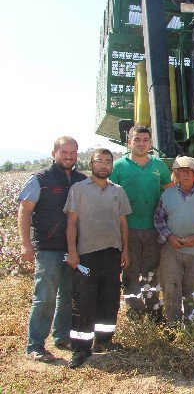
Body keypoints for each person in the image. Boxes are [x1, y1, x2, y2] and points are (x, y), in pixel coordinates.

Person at [17, 136, 87, 362]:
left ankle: (62, 336)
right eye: (64, 152)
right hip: (48, 247)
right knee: (45, 296)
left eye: (73, 153)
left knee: (66, 295)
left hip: (73, 248)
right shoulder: (40, 179)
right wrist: (26, 244)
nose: (69, 157)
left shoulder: (81, 180)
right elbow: (24, 211)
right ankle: (35, 345)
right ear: (54, 154)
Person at [64, 148, 132, 368]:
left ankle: (103, 341)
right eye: (99, 161)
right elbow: (72, 222)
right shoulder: (79, 189)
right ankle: (81, 348)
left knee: (109, 299)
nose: (103, 165)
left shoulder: (118, 191)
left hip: (112, 253)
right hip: (86, 254)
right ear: (91, 164)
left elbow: (123, 224)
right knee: (84, 301)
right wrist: (72, 251)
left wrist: (125, 250)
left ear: (112, 166)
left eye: (108, 161)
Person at [109, 125, 172, 319]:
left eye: (145, 140)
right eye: (137, 140)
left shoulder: (158, 166)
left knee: (152, 272)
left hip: (153, 229)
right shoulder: (119, 166)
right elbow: (109, 195)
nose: (141, 144)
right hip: (128, 229)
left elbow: (170, 191)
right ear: (129, 142)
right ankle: (135, 311)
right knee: (130, 272)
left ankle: (154, 312)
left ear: (150, 143)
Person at [154, 156, 194, 322]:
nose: (185, 175)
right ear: (176, 175)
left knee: (193, 289)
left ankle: (191, 324)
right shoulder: (167, 194)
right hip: (171, 250)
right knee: (171, 288)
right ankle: (173, 324)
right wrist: (169, 237)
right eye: (181, 172)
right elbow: (159, 218)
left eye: (189, 171)